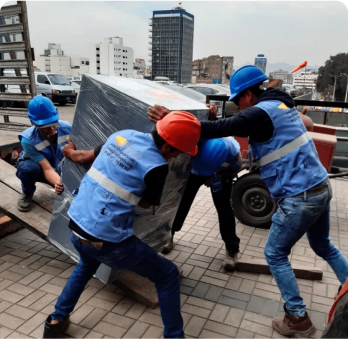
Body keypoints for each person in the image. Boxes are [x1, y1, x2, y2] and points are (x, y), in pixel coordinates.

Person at [147, 65, 348, 337]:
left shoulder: (258, 113)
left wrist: (172, 119)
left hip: (299, 197)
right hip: (320, 188)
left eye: (238, 100)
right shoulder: (281, 103)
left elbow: (220, 128)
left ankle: (297, 317)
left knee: (275, 254)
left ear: (249, 95)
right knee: (323, 244)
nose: (238, 106)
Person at [42, 111, 201, 339]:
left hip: (76, 224)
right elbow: (147, 204)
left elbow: (90, 158)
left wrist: (72, 153)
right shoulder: (157, 165)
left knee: (85, 266)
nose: (176, 158)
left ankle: (56, 321)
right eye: (178, 153)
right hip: (106, 239)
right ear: (167, 148)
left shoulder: (121, 135)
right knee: (167, 275)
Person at [161, 136, 243, 271]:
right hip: (195, 171)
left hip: (219, 174)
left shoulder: (232, 152)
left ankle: (232, 249)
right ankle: (170, 235)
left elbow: (236, 167)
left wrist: (216, 177)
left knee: (225, 210)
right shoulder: (194, 143)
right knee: (181, 203)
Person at [16, 96, 70, 211]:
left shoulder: (68, 129)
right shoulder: (28, 140)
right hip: (40, 168)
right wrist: (58, 183)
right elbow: (46, 168)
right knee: (28, 169)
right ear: (34, 123)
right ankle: (27, 192)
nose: (51, 129)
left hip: (58, 167)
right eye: (45, 127)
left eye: (53, 123)